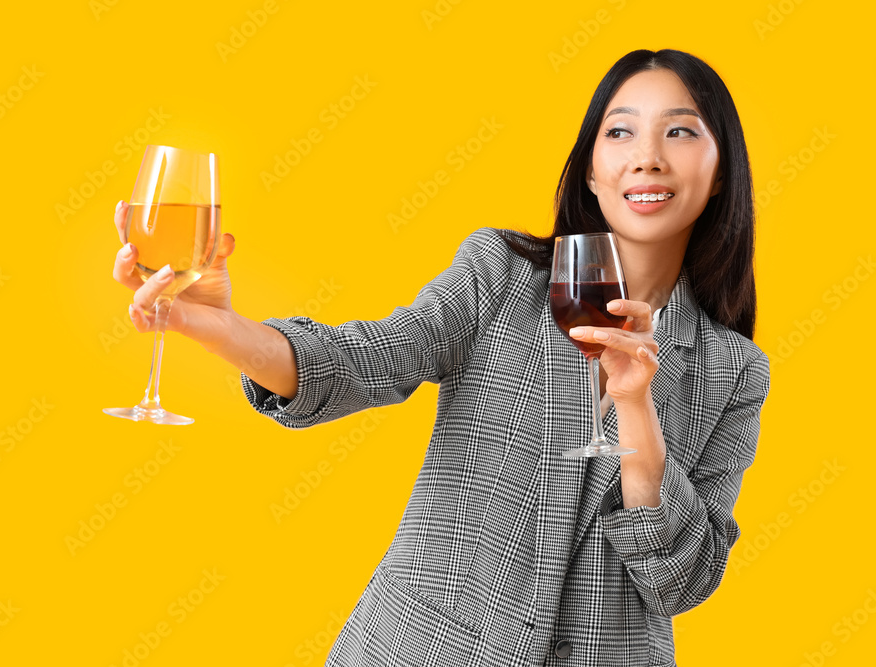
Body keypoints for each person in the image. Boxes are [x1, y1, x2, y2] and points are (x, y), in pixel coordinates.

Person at [111, 48, 769, 667]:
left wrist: (636, 413)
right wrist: (223, 327)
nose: (647, 157)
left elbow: (682, 581)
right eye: (620, 132)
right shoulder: (501, 275)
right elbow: (365, 359)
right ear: (592, 170)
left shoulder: (735, 371)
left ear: (719, 175)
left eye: (680, 133)